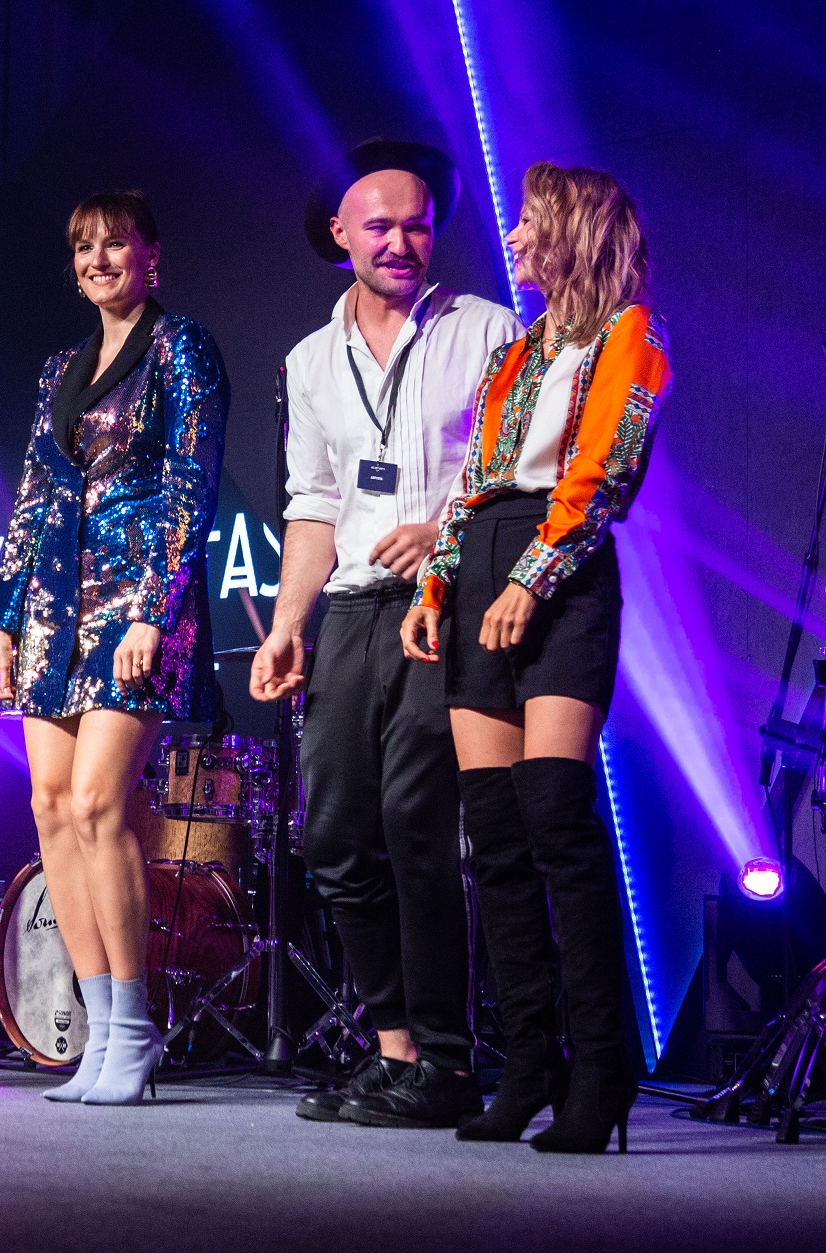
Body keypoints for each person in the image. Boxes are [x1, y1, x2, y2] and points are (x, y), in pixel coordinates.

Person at [250, 139, 524, 1129]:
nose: (400, 242)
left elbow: (516, 468)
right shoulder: (308, 360)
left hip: (445, 601)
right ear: (340, 234)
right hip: (353, 609)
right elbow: (313, 503)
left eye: (416, 225)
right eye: (379, 226)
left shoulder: (485, 329)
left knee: (416, 821)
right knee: (331, 835)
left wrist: (446, 525)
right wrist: (288, 623)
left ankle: (446, 1060)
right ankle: (394, 1048)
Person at [401, 162, 670, 1153]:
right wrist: (435, 587)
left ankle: (602, 1068)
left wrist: (531, 578)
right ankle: (527, 1067)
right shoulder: (512, 354)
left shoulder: (630, 333)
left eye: (528, 221)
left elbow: (604, 475)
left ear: (574, 231)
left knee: (556, 816)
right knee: (496, 835)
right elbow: (469, 483)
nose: (511, 236)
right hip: (480, 569)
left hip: (559, 577)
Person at [0, 192, 228, 1105]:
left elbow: (192, 483)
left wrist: (154, 610)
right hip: (53, 608)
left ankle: (133, 1027)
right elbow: (33, 500)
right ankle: (96, 1029)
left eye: (114, 244)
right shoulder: (58, 368)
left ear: (151, 255)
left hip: (134, 605)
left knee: (96, 802)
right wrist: (3, 620)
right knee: (49, 807)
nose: (97, 261)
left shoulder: (180, 347)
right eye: (83, 247)